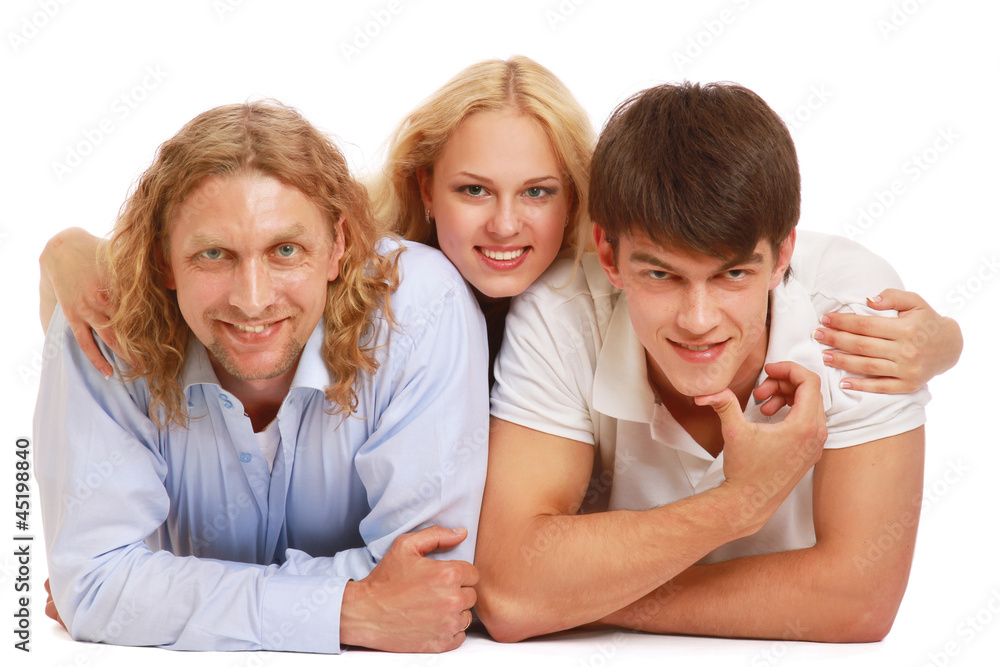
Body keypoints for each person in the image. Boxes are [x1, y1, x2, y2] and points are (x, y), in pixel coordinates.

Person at [40, 57, 962, 395]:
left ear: (587, 207)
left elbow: (767, 254)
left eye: (542, 191)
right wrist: (66, 249)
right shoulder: (348, 266)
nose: (507, 225)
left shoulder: (624, 281)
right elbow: (173, 258)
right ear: (423, 187)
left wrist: (944, 339)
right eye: (475, 190)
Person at [477, 81, 947, 643]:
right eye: (661, 275)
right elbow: (509, 592)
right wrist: (739, 503)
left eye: (732, 275)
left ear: (783, 256)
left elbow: (858, 603)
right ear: (608, 255)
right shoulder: (560, 313)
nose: (698, 320)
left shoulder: (854, 317)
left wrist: (572, 598)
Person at [35, 100, 489, 654]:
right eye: (213, 254)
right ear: (162, 260)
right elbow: (98, 584)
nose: (252, 301)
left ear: (338, 246)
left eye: (286, 250)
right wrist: (350, 610)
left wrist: (158, 593)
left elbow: (430, 583)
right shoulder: (101, 318)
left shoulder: (419, 308)